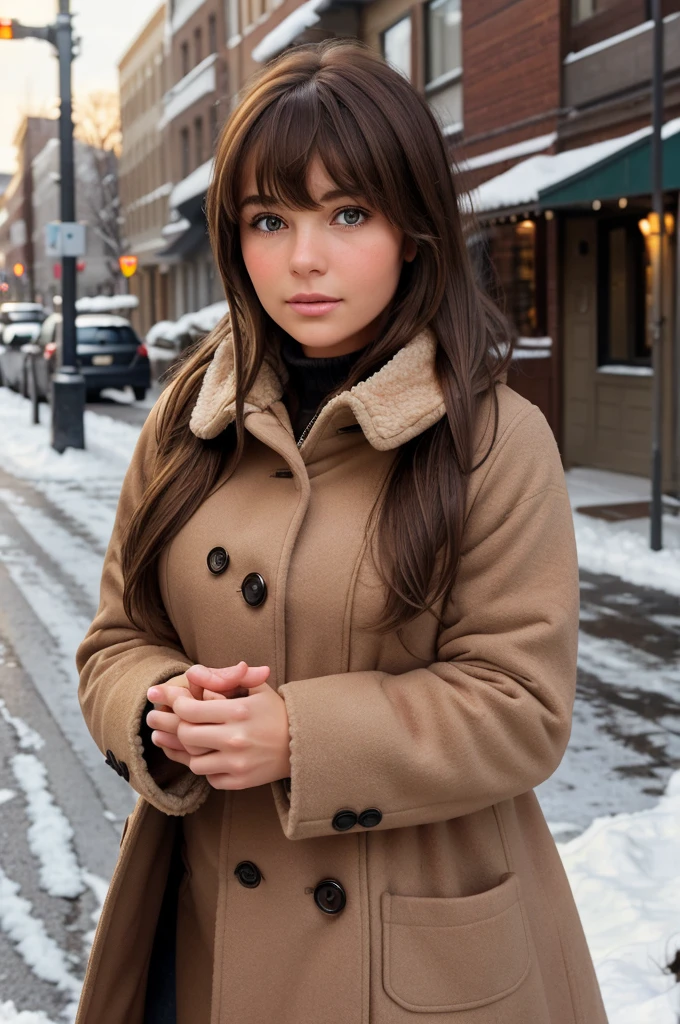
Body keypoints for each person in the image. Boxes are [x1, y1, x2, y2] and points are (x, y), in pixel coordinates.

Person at [74, 38, 608, 1024]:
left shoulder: (490, 436)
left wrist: (299, 735)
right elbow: (113, 641)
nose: (303, 259)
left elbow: (520, 702)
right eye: (268, 219)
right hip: (205, 938)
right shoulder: (190, 418)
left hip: (414, 959)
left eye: (347, 213)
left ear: (411, 229)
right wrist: (159, 705)